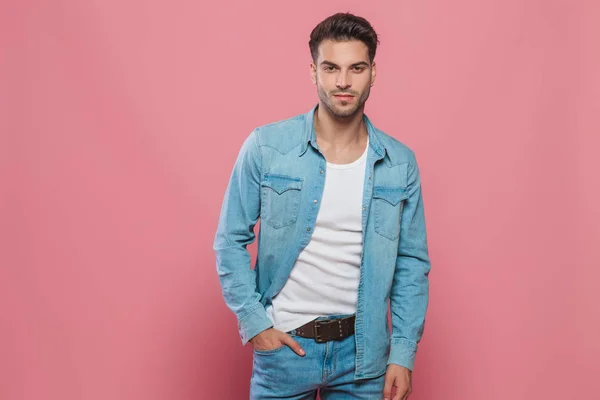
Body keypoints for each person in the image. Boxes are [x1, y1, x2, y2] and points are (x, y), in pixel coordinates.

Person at [213, 12, 431, 400]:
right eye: (330, 68)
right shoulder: (267, 147)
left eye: (356, 68)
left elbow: (411, 265)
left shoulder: (400, 163)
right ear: (313, 72)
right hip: (284, 348)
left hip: (363, 359)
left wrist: (403, 353)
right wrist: (254, 322)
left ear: (373, 73)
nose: (343, 81)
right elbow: (229, 240)